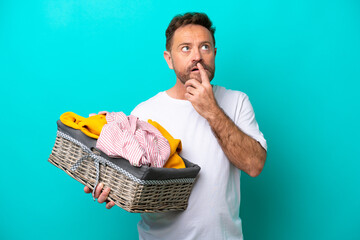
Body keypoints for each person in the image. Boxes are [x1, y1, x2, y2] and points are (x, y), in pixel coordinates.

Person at [84, 12, 267, 239]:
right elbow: (131, 179)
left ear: (215, 54)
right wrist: (114, 189)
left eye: (205, 47)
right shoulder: (144, 113)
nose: (197, 57)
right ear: (169, 59)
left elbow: (254, 165)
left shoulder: (236, 101)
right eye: (185, 48)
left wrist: (211, 110)